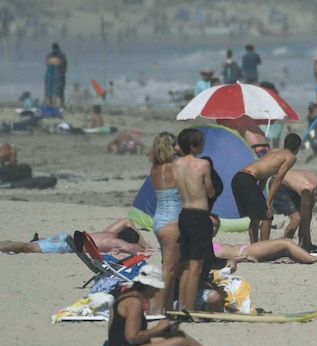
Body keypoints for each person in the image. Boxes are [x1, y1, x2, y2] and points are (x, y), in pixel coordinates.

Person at [104, 265, 223, 346]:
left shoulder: (126, 297)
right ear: (148, 285)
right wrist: (158, 328)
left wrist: (163, 331)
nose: (157, 292)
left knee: (178, 335)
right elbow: (132, 338)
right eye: (156, 288)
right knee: (181, 342)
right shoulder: (134, 302)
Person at [173, 128, 217, 312]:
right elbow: (210, 191)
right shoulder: (202, 165)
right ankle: (190, 311)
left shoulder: (175, 164)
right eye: (200, 143)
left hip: (184, 214)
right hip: (199, 215)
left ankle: (182, 306)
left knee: (185, 265)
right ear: (193, 146)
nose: (203, 146)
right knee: (196, 266)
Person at [231, 133, 299, 243]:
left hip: (239, 177)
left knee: (256, 216)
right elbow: (277, 181)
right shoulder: (291, 157)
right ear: (297, 148)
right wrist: (268, 202)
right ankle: (264, 248)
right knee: (267, 216)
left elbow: (264, 176)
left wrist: (260, 197)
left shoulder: (275, 151)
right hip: (248, 179)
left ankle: (254, 247)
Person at [148, 132, 183, 313]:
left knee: (170, 267)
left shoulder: (155, 167)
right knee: (168, 270)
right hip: (172, 222)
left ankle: (167, 307)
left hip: (159, 219)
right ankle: (157, 309)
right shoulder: (175, 166)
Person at [272, 168, 317, 252]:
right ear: (316, 192)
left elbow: (308, 215)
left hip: (292, 186)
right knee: (296, 219)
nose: (316, 201)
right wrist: (309, 241)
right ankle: (283, 246)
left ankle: (303, 244)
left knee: (307, 216)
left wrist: (307, 243)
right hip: (279, 184)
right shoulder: (307, 190)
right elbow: (303, 219)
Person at [0, 218, 150, 255]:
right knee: (25, 247)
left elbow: (127, 221)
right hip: (64, 244)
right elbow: (135, 250)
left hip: (64, 237)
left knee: (25, 245)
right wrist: (145, 247)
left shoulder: (109, 233)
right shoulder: (116, 242)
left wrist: (145, 241)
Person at [44, 42, 67, 107]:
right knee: (57, 92)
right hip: (58, 75)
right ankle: (58, 105)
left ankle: (48, 106)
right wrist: (63, 75)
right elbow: (64, 66)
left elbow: (46, 64)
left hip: (48, 75)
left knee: (48, 93)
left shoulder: (49, 56)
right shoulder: (61, 56)